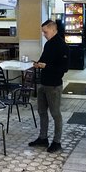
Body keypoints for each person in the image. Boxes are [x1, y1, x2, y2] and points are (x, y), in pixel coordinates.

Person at [29, 20, 69, 153]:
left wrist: (46, 66)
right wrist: (38, 64)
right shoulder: (48, 44)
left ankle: (57, 141)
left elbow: (64, 68)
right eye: (43, 32)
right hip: (43, 82)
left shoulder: (61, 45)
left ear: (53, 30)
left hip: (54, 85)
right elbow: (43, 59)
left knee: (55, 113)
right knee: (41, 111)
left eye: (45, 32)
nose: (44, 34)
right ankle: (43, 137)